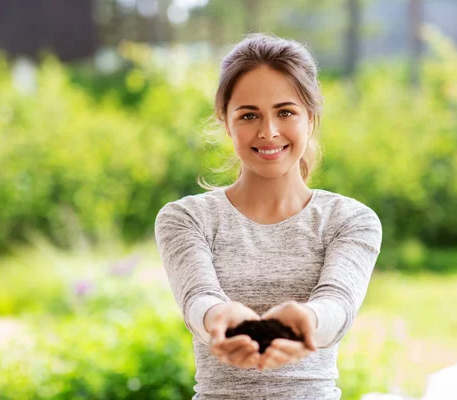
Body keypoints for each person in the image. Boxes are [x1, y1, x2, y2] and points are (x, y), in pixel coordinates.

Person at [155, 33, 382, 400]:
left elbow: (338, 304)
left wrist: (307, 322)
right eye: (249, 115)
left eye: (286, 112)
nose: (269, 131)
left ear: (311, 117)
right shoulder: (186, 218)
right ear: (226, 122)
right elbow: (198, 298)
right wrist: (220, 318)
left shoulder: (351, 220)